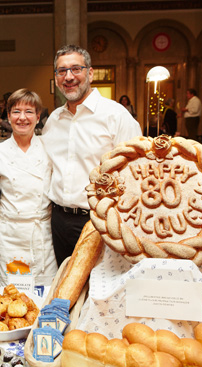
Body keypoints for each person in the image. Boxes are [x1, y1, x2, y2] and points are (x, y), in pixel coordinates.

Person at [43, 44, 142, 266]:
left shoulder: (116, 116)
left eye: (75, 69)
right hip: (58, 221)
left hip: (100, 221)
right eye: (61, 71)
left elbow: (137, 172)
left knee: (100, 290)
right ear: (56, 78)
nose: (68, 77)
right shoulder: (54, 120)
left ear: (90, 73)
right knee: (66, 286)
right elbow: (41, 159)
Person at [0, 88, 57, 287]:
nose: (22, 118)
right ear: (8, 116)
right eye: (16, 112)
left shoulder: (50, 148)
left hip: (42, 236)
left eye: (29, 112)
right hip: (10, 237)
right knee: (12, 296)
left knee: (45, 295)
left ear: (38, 116)